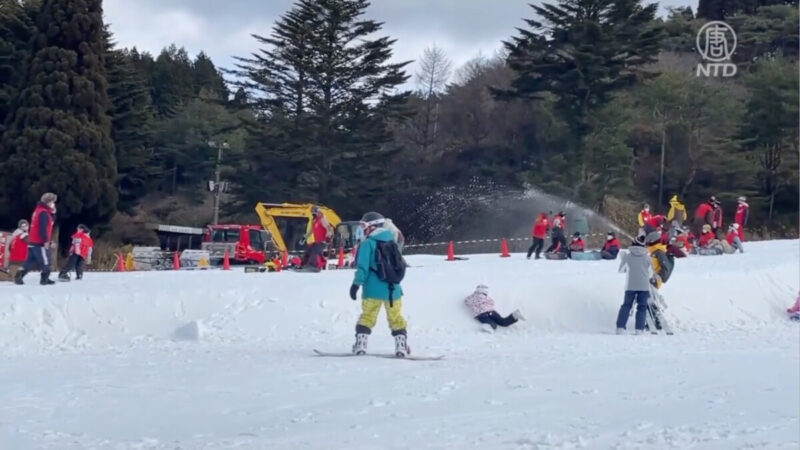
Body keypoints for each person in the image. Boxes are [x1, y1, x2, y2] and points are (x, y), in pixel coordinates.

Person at [349, 212, 410, 356]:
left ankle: (361, 345)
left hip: (372, 290)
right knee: (396, 318)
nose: (363, 229)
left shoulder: (367, 244)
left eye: (364, 226)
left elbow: (362, 268)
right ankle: (401, 346)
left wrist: (355, 285)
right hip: (393, 290)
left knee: (367, 316)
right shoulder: (392, 242)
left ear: (371, 226)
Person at [15, 193, 57, 285]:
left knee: (30, 261)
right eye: (52, 202)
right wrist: (45, 240)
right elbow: (43, 228)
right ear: (48, 202)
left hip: (32, 241)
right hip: (39, 242)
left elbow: (51, 222)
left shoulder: (38, 211)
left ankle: (19, 276)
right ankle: (44, 279)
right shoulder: (43, 213)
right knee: (46, 260)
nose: (53, 204)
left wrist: (53, 213)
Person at [615, 234, 653, 334]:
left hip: (630, 286)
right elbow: (651, 273)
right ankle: (639, 330)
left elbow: (621, 270)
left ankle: (620, 328)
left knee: (626, 306)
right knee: (642, 307)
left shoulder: (627, 256)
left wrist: (622, 259)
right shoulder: (647, 258)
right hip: (644, 286)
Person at [300, 205, 333, 270]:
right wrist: (304, 238)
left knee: (314, 252)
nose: (313, 214)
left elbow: (329, 228)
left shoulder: (322, 219)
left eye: (314, 213)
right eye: (312, 213)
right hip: (317, 241)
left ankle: (312, 266)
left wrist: (328, 236)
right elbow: (310, 231)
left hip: (323, 241)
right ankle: (303, 264)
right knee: (309, 250)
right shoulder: (314, 221)